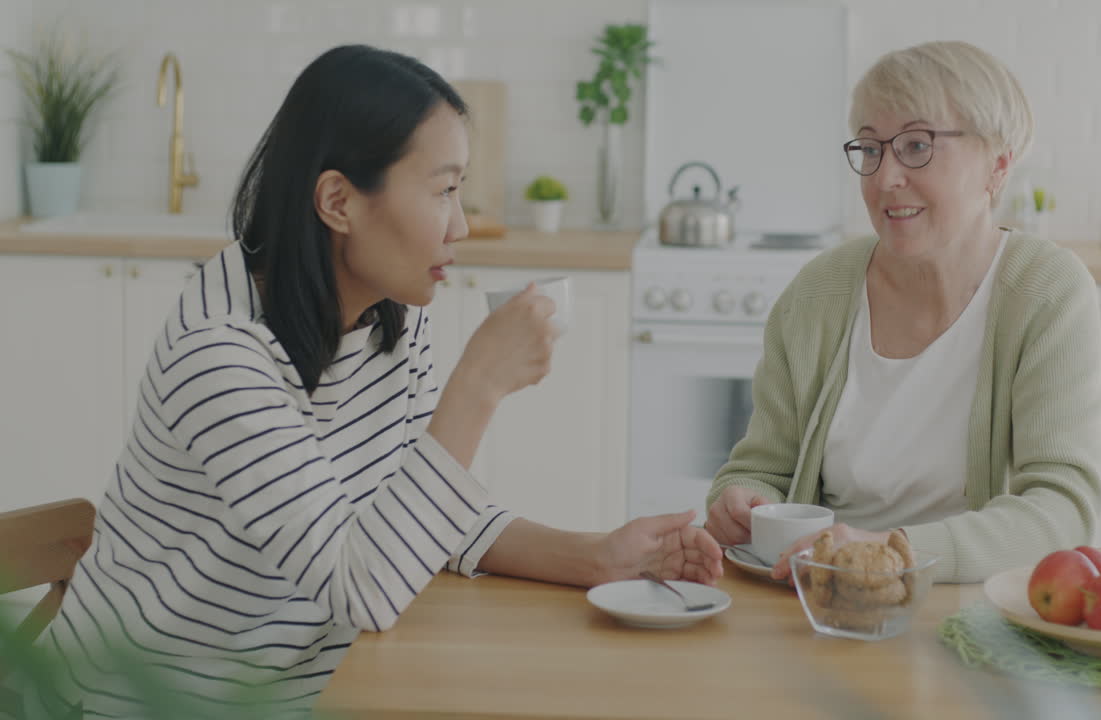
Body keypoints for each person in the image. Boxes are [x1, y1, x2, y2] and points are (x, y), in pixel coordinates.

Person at [29, 45, 721, 718]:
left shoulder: (389, 315)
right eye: (444, 190)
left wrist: (595, 558)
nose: (460, 224)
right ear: (338, 201)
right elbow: (362, 587)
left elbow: (421, 515)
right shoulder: (220, 357)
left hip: (308, 685)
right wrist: (475, 387)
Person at [704, 41, 1101, 585]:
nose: (885, 177)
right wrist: (742, 500)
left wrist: (894, 551)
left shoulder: (1045, 290)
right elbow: (764, 465)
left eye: (917, 145)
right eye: (871, 150)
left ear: (998, 164)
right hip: (823, 600)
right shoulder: (816, 294)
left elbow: (1062, 511)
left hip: (975, 612)